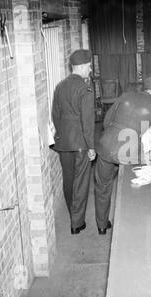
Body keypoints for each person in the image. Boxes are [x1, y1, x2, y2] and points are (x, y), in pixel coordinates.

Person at [94, 77, 151, 234]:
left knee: (102, 187)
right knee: (133, 188)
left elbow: (107, 120)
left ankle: (102, 225)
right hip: (128, 151)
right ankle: (131, 226)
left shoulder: (125, 96)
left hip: (105, 145)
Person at [52, 49, 95, 235]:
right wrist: (91, 146)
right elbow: (87, 121)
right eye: (89, 66)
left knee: (68, 181)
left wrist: (61, 135)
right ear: (84, 66)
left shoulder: (60, 86)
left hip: (63, 143)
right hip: (80, 143)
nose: (90, 70)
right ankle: (77, 223)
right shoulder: (85, 88)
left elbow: (55, 115)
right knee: (81, 182)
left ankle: (72, 215)